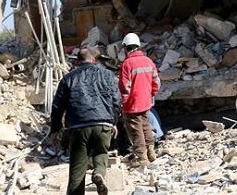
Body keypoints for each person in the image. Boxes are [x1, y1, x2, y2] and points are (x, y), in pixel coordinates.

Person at [50, 48, 120, 195]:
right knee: (101, 151)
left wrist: (55, 129)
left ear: (77, 61)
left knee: (77, 171)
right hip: (103, 125)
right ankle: (99, 172)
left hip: (78, 126)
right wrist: (113, 122)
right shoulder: (107, 75)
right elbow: (116, 100)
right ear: (93, 60)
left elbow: (57, 106)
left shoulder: (68, 78)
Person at [118, 32, 160, 167]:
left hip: (132, 104)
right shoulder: (148, 61)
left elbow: (125, 87)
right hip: (146, 102)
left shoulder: (127, 64)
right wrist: (150, 95)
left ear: (126, 47)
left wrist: (123, 103)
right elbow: (156, 83)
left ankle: (142, 157)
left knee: (135, 129)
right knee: (146, 126)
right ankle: (151, 152)